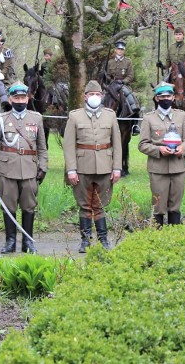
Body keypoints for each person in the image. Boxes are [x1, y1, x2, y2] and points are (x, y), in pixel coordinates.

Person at [0, 81, 48, 254]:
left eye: (23, 97)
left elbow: (42, 146)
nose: (20, 100)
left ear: (27, 98)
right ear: (11, 99)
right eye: (16, 97)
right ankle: (10, 241)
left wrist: (43, 166)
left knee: (29, 206)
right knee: (9, 206)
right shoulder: (1, 119)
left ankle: (27, 242)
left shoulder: (36, 118)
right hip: (7, 170)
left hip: (29, 169)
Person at [63, 80, 122, 252]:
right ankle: (85, 240)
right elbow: (68, 145)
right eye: (91, 94)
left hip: (105, 166)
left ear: (102, 96)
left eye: (97, 94)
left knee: (101, 205)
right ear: (85, 97)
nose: (94, 97)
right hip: (82, 167)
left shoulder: (110, 115)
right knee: (84, 205)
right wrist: (71, 170)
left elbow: (117, 144)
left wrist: (116, 167)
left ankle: (103, 240)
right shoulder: (75, 116)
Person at [138, 81, 185, 226]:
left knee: (175, 205)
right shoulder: (148, 118)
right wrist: (158, 150)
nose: (166, 99)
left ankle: (173, 237)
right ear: (156, 98)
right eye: (162, 96)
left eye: (169, 96)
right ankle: (158, 238)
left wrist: (184, 148)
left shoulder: (181, 116)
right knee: (158, 206)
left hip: (178, 167)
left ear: (173, 98)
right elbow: (142, 144)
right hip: (158, 169)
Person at [105, 40, 141, 118]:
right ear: (115, 50)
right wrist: (111, 80)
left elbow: (131, 75)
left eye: (122, 49)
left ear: (124, 51)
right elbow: (108, 75)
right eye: (118, 49)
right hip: (112, 84)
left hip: (123, 85)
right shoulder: (110, 62)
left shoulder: (128, 62)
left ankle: (135, 116)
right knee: (103, 96)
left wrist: (123, 81)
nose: (120, 51)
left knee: (130, 97)